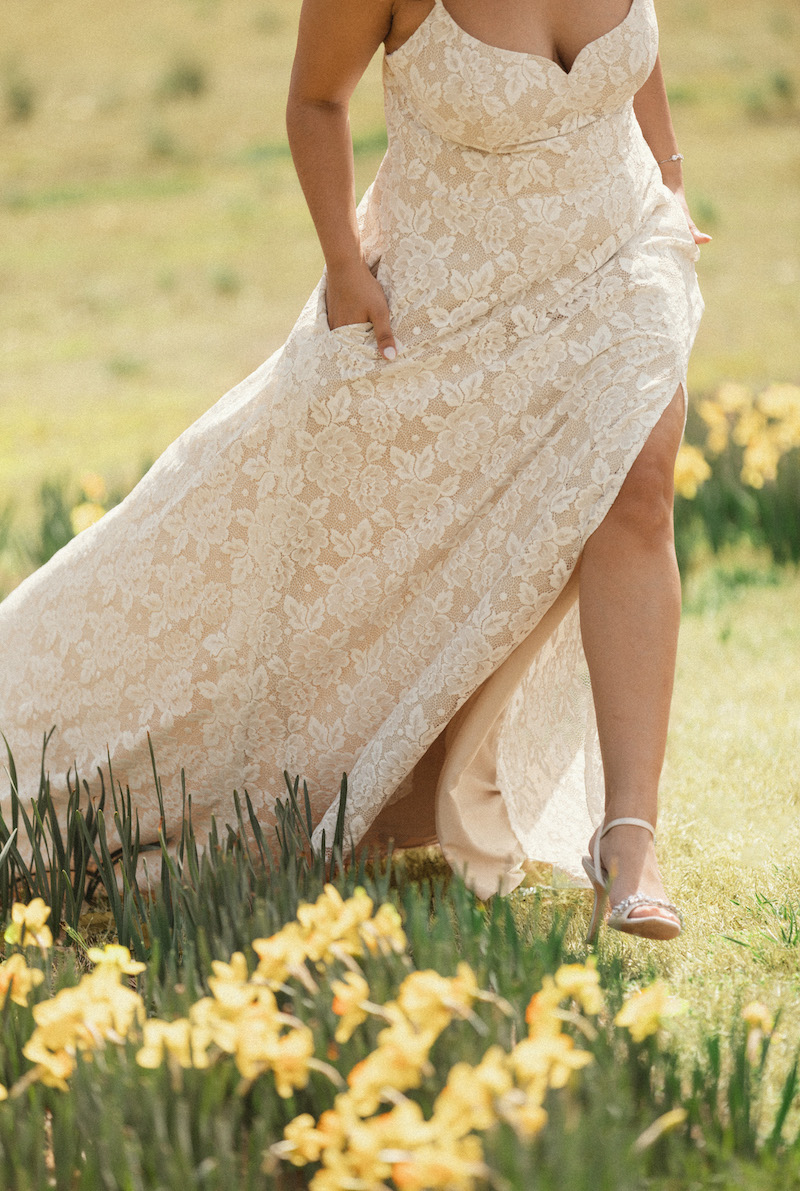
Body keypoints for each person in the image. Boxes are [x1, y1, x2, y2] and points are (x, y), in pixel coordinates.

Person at [0, 0, 708, 941]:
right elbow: (315, 99)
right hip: (440, 303)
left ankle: (630, 841)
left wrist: (668, 176)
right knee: (284, 565)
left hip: (620, 256)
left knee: (640, 489)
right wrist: (345, 265)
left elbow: (634, 61)